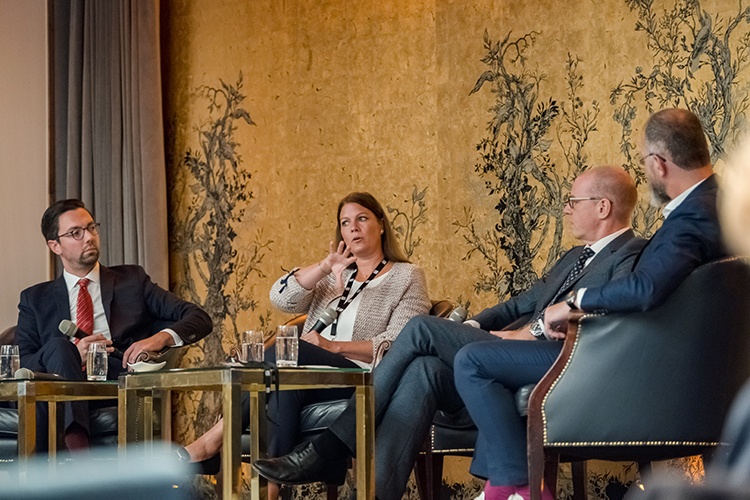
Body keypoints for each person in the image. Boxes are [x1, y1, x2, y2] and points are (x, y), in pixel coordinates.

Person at [252, 166, 646, 500]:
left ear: (602, 207)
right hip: (512, 354)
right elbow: (517, 305)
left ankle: (330, 446)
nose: (566, 209)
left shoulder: (630, 253)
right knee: (423, 370)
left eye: (573, 201)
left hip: (559, 356)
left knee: (421, 328)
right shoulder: (574, 257)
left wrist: (535, 329)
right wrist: (469, 326)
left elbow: (612, 311)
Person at [456, 107, 728, 500]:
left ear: (658, 164)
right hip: (684, 372)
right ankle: (510, 488)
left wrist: (574, 303)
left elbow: (645, 289)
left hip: (627, 365)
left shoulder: (691, 218)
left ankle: (519, 489)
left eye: (644, 162)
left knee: (471, 359)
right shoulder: (721, 207)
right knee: (472, 359)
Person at [179, 192, 430, 498]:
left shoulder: (407, 276)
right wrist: (325, 267)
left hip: (365, 378)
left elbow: (398, 344)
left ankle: (213, 440)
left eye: (362, 219)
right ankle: (269, 490)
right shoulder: (334, 275)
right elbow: (280, 297)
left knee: (287, 349)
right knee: (284, 386)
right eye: (345, 223)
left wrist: (332, 347)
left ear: (380, 224)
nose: (353, 228)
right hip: (311, 373)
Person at [16, 199, 212, 451]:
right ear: (55, 246)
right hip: (56, 383)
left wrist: (159, 338)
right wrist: (73, 356)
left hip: (113, 384)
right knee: (60, 348)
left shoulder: (132, 281)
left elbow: (199, 318)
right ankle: (79, 456)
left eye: (91, 228)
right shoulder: (34, 299)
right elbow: (22, 363)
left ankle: (57, 466)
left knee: (50, 388)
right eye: (76, 233)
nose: (89, 237)